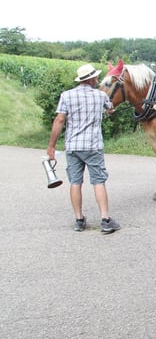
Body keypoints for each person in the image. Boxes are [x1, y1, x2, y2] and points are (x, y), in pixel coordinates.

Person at [47, 64, 120, 234]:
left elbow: (59, 120)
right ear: (92, 79)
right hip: (93, 146)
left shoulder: (66, 95)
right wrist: (109, 110)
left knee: (75, 182)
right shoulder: (100, 95)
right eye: (96, 77)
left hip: (73, 146)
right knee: (98, 181)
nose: (97, 79)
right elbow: (110, 109)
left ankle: (79, 220)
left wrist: (51, 146)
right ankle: (105, 220)